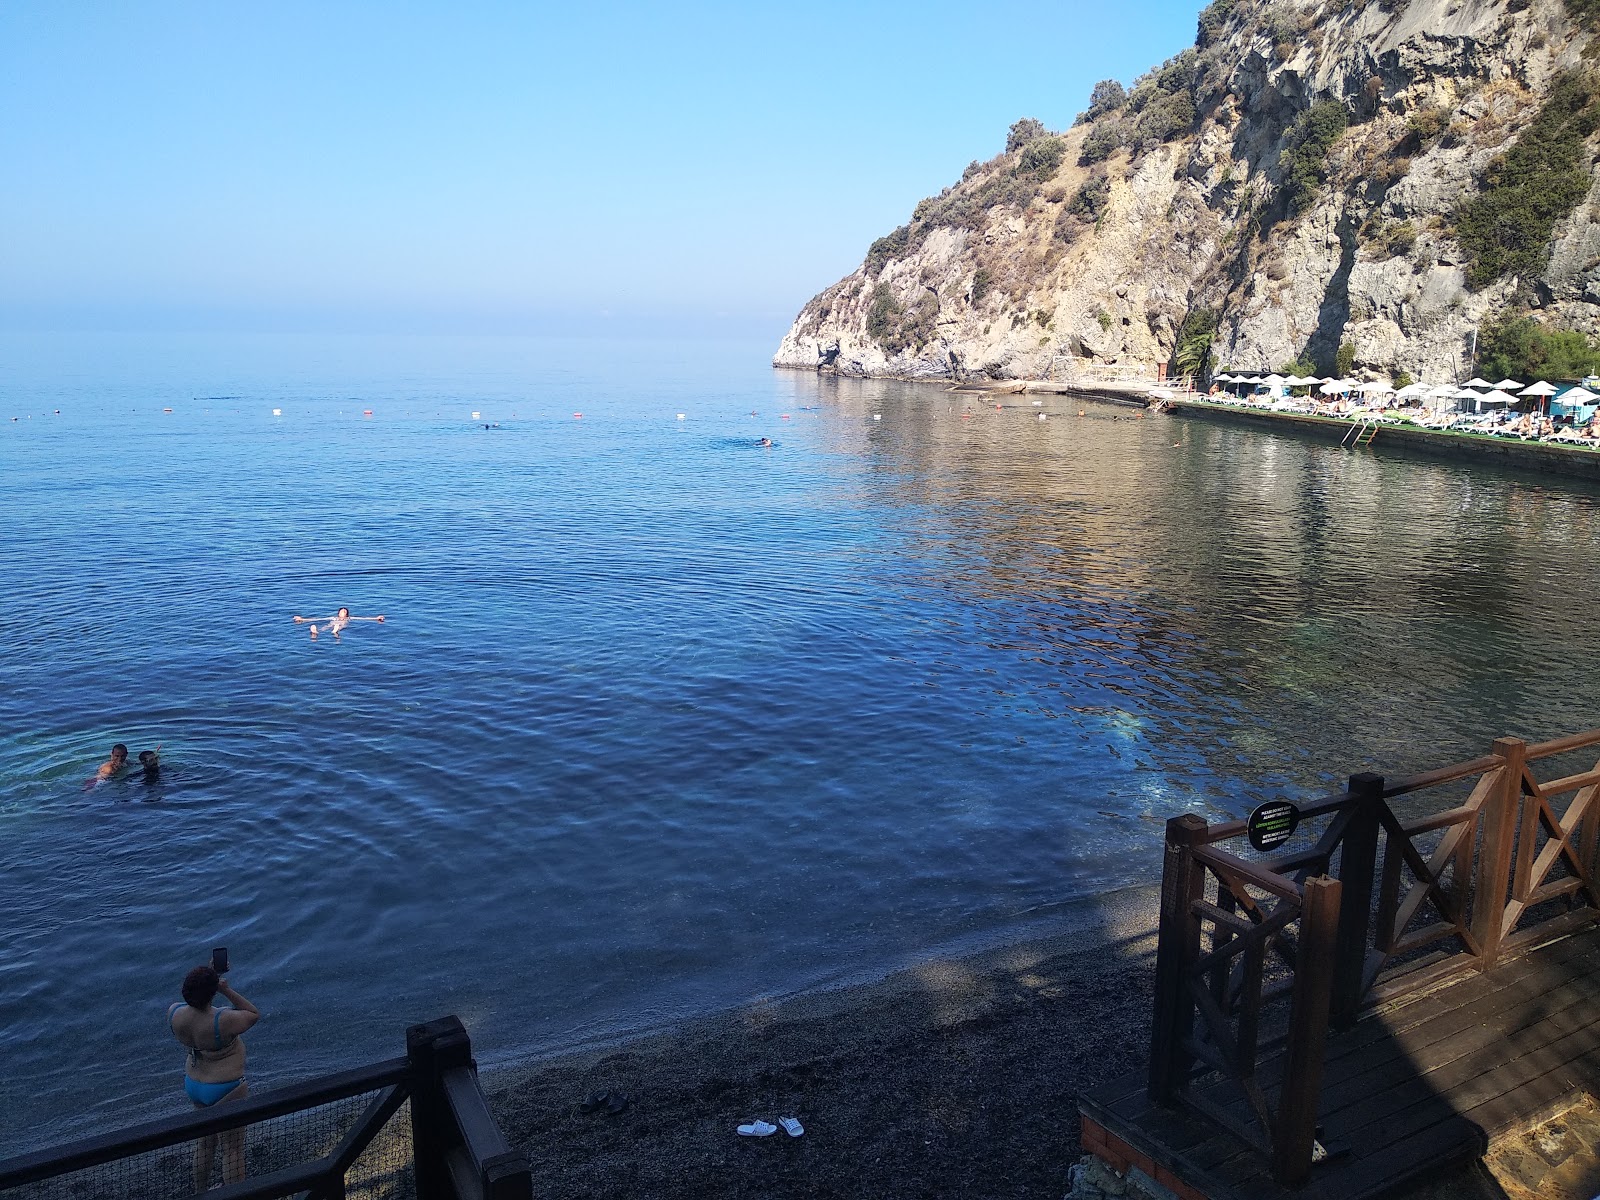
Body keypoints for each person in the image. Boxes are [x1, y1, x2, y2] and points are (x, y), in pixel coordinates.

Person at [168, 965, 260, 1190]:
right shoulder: (222, 1020)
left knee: (205, 1142)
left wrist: (209, 975)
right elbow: (252, 1013)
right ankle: (235, 1196)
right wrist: (225, 990)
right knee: (232, 1148)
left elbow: (197, 995)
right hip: (225, 1088)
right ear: (212, 992)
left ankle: (201, 1193)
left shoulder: (174, 1013)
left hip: (195, 1084)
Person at [292, 607, 385, 640]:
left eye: (344, 611)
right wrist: (302, 619)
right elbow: (318, 619)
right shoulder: (333, 617)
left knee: (339, 626)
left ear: (347, 613)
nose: (343, 612)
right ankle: (316, 632)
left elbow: (363, 618)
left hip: (341, 624)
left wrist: (376, 618)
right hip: (333, 623)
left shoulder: (349, 618)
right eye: (341, 611)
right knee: (326, 626)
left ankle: (336, 632)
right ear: (338, 613)